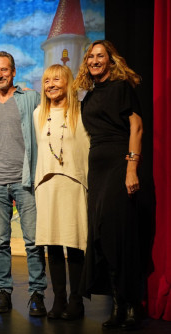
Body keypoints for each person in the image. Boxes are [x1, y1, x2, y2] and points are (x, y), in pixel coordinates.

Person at [73, 40, 145, 330]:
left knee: (119, 234)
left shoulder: (121, 88)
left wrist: (131, 167)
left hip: (118, 163)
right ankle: (117, 304)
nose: (94, 60)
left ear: (111, 60)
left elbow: (137, 127)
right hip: (97, 169)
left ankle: (130, 306)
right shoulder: (88, 95)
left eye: (100, 56)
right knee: (102, 235)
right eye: (91, 56)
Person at [0, 51, 47, 315]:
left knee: (32, 241)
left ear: (13, 71)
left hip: (25, 180)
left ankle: (37, 294)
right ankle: (4, 291)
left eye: (4, 70)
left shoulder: (30, 98)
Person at [33, 64, 90, 320]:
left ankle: (77, 301)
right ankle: (59, 300)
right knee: (53, 244)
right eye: (47, 81)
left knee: (75, 243)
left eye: (56, 79)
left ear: (68, 82)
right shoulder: (38, 114)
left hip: (73, 183)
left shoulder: (80, 113)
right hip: (47, 184)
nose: (51, 85)